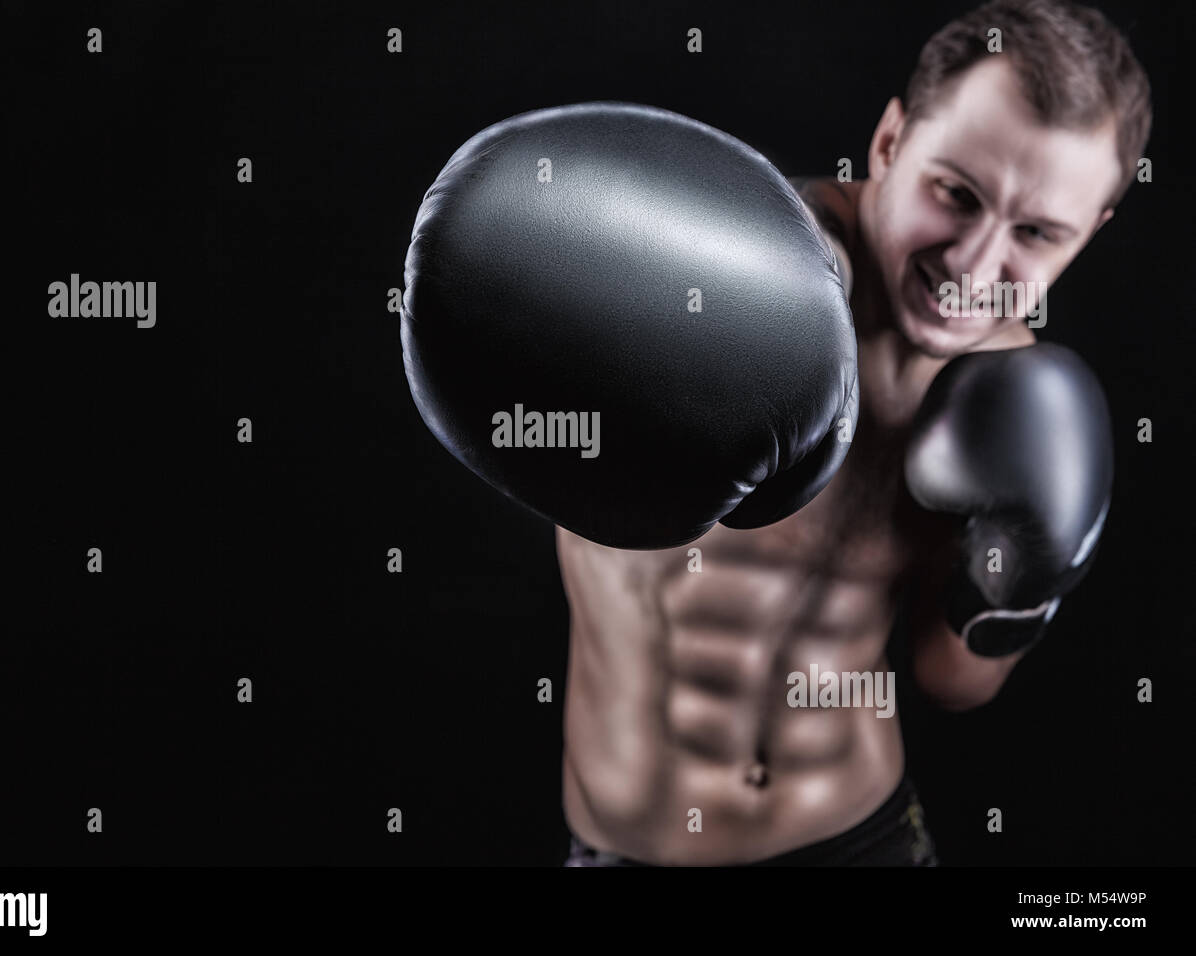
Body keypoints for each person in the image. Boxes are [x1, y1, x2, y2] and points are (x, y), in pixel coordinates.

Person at [402, 0, 1150, 866]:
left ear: (1090, 230)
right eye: (956, 193)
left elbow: (952, 682)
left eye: (1035, 233)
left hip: (858, 839)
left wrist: (1022, 577)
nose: (975, 267)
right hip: (629, 846)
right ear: (890, 143)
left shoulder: (1017, 406)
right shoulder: (701, 285)